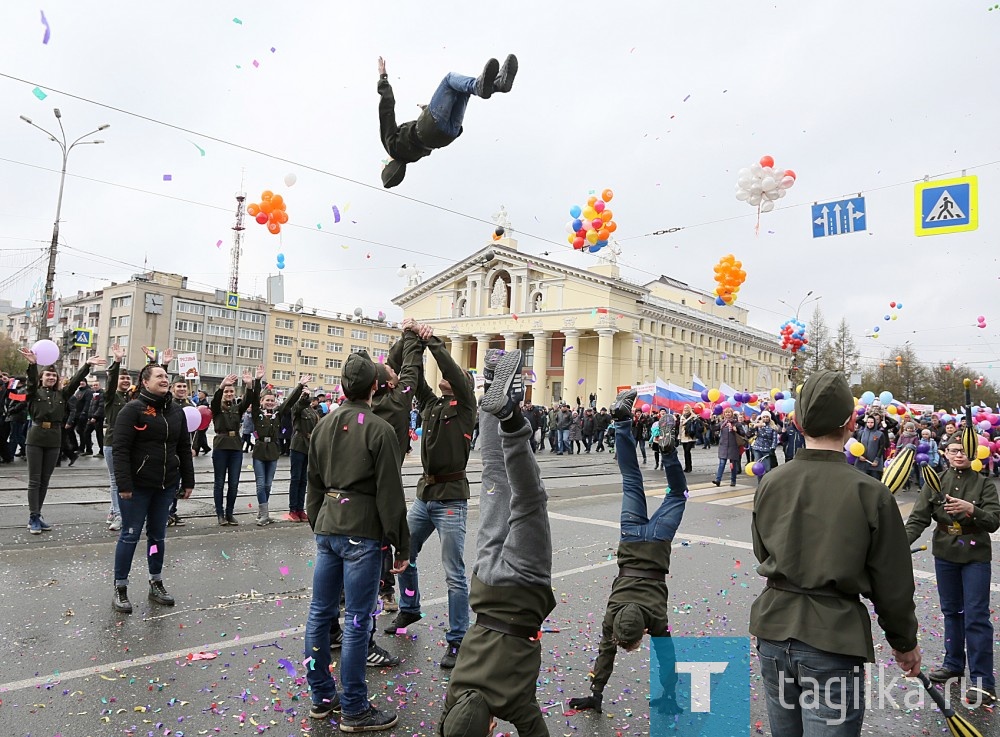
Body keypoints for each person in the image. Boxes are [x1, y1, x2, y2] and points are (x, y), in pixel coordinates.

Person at [751, 370, 921, 735]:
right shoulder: (870, 492)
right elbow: (892, 582)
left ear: (796, 423)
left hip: (773, 633)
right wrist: (904, 643)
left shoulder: (771, 481)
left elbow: (761, 551)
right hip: (832, 639)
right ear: (852, 423)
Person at [438, 349, 556, 737]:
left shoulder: (514, 703)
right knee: (493, 472)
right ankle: (490, 379)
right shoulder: (455, 693)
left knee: (528, 498)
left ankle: (510, 416)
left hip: (524, 588)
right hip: (486, 582)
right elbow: (448, 725)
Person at [303, 351, 410, 730]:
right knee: (357, 621)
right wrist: (401, 544)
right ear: (375, 387)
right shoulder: (378, 429)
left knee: (320, 615)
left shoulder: (323, 425)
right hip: (362, 530)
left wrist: (321, 521)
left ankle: (321, 697)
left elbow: (312, 485)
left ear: (343, 386)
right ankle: (353, 707)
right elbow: (390, 494)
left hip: (329, 527)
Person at [568, 388, 687, 714]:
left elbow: (667, 657)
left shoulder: (657, 620)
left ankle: (670, 451)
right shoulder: (612, 615)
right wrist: (595, 692)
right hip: (631, 537)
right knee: (631, 478)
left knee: (677, 493)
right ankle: (622, 421)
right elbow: (606, 651)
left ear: (644, 632)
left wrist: (671, 696)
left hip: (659, 541)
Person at [384, 322, 476, 670]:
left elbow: (451, 369)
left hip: (451, 499)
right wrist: (412, 341)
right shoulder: (432, 404)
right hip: (426, 495)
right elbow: (412, 375)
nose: (447, 376)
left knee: (454, 572)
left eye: (454, 375)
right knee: (404, 553)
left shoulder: (465, 406)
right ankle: (409, 609)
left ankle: (457, 640)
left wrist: (433, 342)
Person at [904, 434, 999, 706]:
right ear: (945, 453)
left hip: (974, 553)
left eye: (964, 451)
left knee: (976, 616)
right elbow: (918, 519)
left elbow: (993, 521)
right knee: (951, 611)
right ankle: (954, 664)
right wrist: (896, 544)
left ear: (974, 454)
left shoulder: (984, 484)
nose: (959, 455)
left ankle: (983, 682)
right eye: (954, 450)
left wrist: (973, 510)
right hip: (945, 552)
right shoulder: (936, 482)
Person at [110, 362, 195, 613]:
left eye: (166, 375)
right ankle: (120, 587)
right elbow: (120, 449)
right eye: (159, 376)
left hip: (165, 486)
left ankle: (156, 581)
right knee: (130, 535)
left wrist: (187, 480)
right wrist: (124, 485)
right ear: (145, 382)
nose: (164, 379)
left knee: (157, 536)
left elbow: (183, 449)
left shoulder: (176, 412)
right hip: (136, 488)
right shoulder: (132, 410)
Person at [377, 54, 518, 188]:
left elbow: (426, 140)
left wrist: (428, 110)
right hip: (429, 126)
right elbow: (386, 109)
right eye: (384, 163)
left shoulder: (412, 157)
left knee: (463, 89)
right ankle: (487, 85)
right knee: (450, 80)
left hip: (448, 136)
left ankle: (496, 84)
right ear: (390, 164)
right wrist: (383, 78)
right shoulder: (391, 146)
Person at [21, 347, 104, 533]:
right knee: (34, 480)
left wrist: (87, 366)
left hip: (54, 439)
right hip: (35, 437)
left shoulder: (62, 395)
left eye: (54, 375)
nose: (51, 378)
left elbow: (74, 383)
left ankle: (38, 513)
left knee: (45, 480)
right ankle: (33, 516)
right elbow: (31, 382)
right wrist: (33, 364)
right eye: (48, 375)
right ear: (42, 378)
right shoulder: (34, 393)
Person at [248, 367, 301, 527]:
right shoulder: (257, 412)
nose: (270, 402)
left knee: (268, 484)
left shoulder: (278, 413)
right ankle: (264, 514)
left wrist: (299, 386)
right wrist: (257, 380)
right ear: (262, 402)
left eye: (272, 400)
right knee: (260, 483)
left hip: (272, 451)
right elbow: (254, 398)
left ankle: (262, 513)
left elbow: (290, 401)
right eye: (267, 400)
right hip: (259, 451)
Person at [211, 370, 255, 525]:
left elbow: (248, 399)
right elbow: (215, 400)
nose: (229, 393)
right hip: (221, 446)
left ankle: (230, 513)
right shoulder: (217, 407)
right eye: (226, 391)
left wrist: (249, 385)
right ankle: (220, 514)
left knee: (234, 482)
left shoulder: (237, 408)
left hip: (236, 446)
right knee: (219, 482)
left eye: (231, 391)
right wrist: (222, 385)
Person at [102, 343, 133, 531]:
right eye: (122, 377)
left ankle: (114, 511)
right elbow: (112, 382)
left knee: (124, 480)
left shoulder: (132, 398)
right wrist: (117, 362)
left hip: (130, 443)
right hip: (112, 443)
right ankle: (119, 514)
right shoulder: (112, 397)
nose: (125, 380)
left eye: (128, 378)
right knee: (117, 480)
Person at [288, 390, 321, 522]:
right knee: (296, 479)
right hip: (298, 445)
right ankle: (293, 509)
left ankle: (300, 509)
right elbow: (299, 406)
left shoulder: (312, 411)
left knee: (304, 480)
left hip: (309, 446)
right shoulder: (297, 407)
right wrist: (303, 396)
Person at [712, 407, 746, 487]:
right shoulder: (722, 423)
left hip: (733, 446)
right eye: (726, 412)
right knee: (722, 463)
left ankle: (733, 480)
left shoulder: (736, 423)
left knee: (733, 464)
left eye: (729, 412)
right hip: (723, 446)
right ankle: (718, 480)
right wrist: (712, 421)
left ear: (732, 414)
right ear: (724, 414)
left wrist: (736, 429)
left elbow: (743, 433)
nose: (727, 414)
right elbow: (714, 428)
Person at [852, 414, 887, 480]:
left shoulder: (880, 434)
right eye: (868, 422)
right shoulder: (861, 433)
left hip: (874, 464)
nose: (870, 424)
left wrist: (877, 460)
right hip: (862, 462)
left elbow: (881, 448)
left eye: (872, 422)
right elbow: (857, 445)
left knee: (874, 482)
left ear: (875, 423)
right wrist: (859, 456)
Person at [750, 411, 780, 483]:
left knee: (767, 469)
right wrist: (755, 427)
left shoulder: (773, 427)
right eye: (764, 417)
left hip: (767, 449)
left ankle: (767, 483)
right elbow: (750, 432)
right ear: (761, 418)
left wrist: (773, 448)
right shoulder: (759, 425)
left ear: (769, 418)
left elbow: (774, 439)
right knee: (758, 468)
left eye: (767, 417)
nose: (765, 418)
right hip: (757, 448)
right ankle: (760, 483)